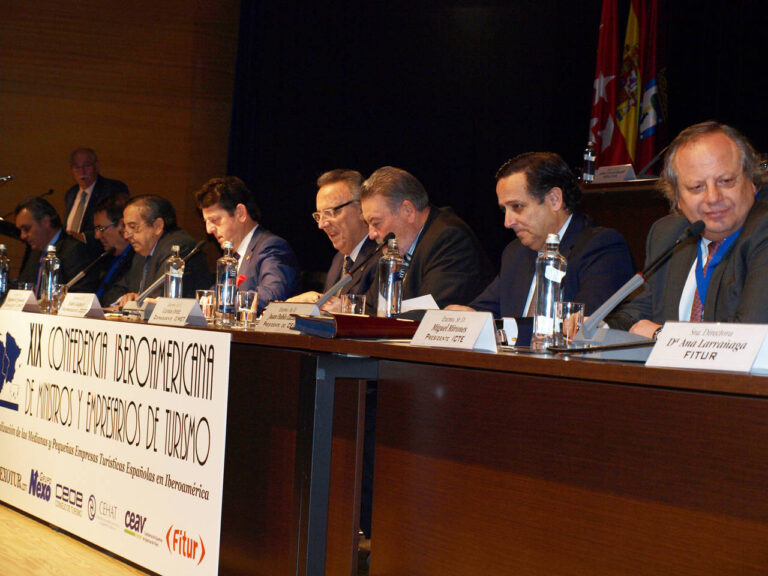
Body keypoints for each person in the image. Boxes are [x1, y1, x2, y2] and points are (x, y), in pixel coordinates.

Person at [607, 121, 768, 337]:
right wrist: (598, 327)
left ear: (751, 181)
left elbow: (750, 338)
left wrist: (661, 335)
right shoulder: (669, 234)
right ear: (677, 198)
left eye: (726, 181)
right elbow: (637, 313)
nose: (713, 197)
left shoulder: (763, 230)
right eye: (696, 187)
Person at [448, 152, 634, 318]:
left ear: (554, 199)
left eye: (517, 206)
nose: (507, 222)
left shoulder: (601, 247)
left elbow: (581, 327)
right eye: (504, 210)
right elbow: (484, 311)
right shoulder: (515, 253)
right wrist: (466, 317)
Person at [360, 166, 494, 312]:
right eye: (367, 224)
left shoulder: (449, 239)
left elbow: (428, 313)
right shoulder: (395, 248)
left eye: (376, 223)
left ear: (408, 211)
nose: (371, 234)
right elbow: (372, 307)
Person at [194, 176, 301, 311]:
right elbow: (214, 295)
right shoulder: (230, 258)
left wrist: (224, 301)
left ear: (240, 213)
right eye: (206, 222)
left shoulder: (271, 247)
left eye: (215, 220)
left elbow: (271, 296)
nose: (209, 230)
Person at [290, 169, 379, 304]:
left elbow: (376, 314)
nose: (321, 225)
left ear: (361, 208)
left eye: (330, 212)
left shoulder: (381, 259)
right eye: (319, 216)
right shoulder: (339, 260)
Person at [115, 195, 211, 305]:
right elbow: (117, 289)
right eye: (125, 227)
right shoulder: (141, 254)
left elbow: (163, 297)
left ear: (157, 226)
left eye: (133, 227)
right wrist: (126, 298)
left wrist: (140, 301)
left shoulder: (179, 247)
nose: (126, 235)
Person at [14, 196, 96, 293]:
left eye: (26, 229)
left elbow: (80, 294)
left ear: (45, 221)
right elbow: (22, 287)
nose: (22, 236)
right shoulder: (35, 252)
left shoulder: (74, 250)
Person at [64, 147, 130, 254]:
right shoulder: (71, 193)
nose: (82, 172)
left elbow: (117, 223)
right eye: (77, 167)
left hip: (100, 254)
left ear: (97, 166)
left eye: (87, 166)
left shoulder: (113, 188)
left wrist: (84, 237)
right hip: (71, 255)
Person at [92, 195, 134, 306]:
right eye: (96, 229)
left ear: (122, 225)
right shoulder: (106, 257)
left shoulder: (138, 259)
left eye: (101, 228)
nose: (97, 236)